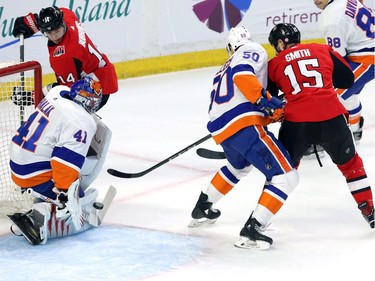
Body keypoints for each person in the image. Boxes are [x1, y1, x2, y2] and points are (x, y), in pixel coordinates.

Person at [188, 26, 300, 249]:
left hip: (222, 129)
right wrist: (265, 103)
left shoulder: (222, 67)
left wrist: (267, 112)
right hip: (244, 127)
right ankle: (252, 230)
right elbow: (243, 75)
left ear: (230, 47)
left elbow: (236, 97)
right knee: (286, 176)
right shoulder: (252, 49)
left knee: (238, 167)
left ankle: (203, 205)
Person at [267, 23, 374, 229]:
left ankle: (259, 218)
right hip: (332, 117)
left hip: (297, 124)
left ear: (280, 43)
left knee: (283, 172)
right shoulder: (321, 49)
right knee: (351, 165)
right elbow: (347, 79)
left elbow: (268, 97)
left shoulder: (274, 63)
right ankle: (369, 210)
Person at [7, 76, 113, 245]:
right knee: (75, 191)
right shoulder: (81, 122)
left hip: (16, 160)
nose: (94, 106)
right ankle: (43, 214)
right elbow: (64, 163)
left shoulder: (58, 92)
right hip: (31, 173)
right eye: (93, 101)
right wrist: (67, 196)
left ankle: (44, 195)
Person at [12, 6, 118, 110]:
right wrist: (32, 22)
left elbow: (64, 90)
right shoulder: (67, 17)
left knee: (62, 106)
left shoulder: (65, 56)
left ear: (62, 23)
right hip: (103, 72)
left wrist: (31, 97)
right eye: (49, 33)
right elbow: (58, 13)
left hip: (97, 89)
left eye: (57, 31)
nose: (54, 37)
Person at [308, 0, 374, 152]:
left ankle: (319, 138)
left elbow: (339, 62)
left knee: (328, 96)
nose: (315, 0)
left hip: (367, 59)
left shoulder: (330, 18)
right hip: (364, 51)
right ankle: (356, 127)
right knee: (348, 94)